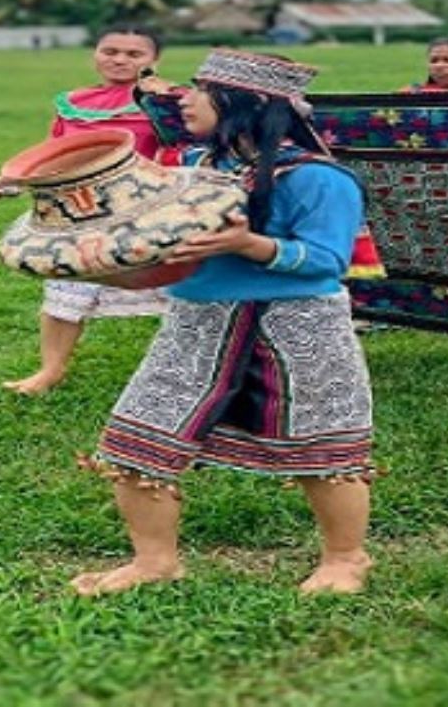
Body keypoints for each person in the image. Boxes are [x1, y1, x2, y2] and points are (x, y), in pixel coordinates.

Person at [72, 49, 379, 597]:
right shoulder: (193, 169)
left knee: (325, 451)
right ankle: (154, 562)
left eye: (199, 90)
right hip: (197, 322)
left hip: (299, 327)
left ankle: (345, 559)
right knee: (134, 440)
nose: (183, 99)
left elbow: (330, 261)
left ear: (245, 103)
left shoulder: (321, 179)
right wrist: (111, 269)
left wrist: (249, 245)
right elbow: (160, 246)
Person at [0, 27, 172, 396]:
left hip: (143, 211)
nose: (120, 60)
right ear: (95, 53)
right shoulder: (73, 101)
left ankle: (183, 372)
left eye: (133, 54)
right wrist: (13, 180)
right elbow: (53, 153)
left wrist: (167, 104)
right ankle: (50, 371)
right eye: (110, 50)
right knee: (64, 291)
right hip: (77, 213)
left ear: (154, 60)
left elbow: (186, 149)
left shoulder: (168, 100)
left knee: (180, 296)